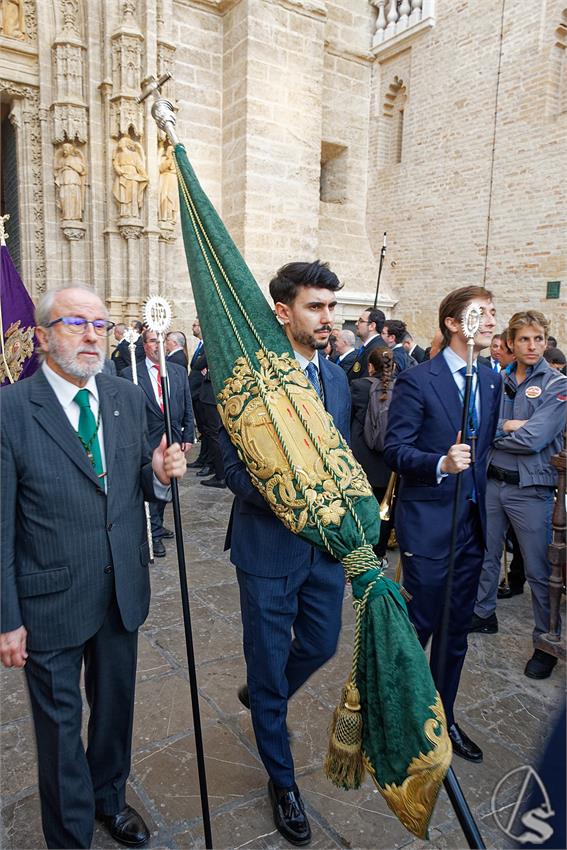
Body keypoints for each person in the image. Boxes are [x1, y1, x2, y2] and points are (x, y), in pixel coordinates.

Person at [0, 285, 187, 849]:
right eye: (74, 322)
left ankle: (109, 798)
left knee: (114, 710)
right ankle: (71, 833)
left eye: (100, 324)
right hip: (48, 598)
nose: (90, 335)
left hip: (119, 589)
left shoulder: (125, 397)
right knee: (59, 734)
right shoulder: (10, 410)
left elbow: (133, 489)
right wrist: (8, 619)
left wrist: (157, 473)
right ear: (42, 336)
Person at [221, 260, 351, 846]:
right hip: (269, 550)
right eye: (315, 307)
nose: (328, 319)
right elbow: (232, 469)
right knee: (271, 670)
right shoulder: (247, 379)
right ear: (283, 312)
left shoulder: (337, 379)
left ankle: (262, 691)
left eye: (331, 307)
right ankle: (282, 782)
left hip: (326, 552)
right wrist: (291, 497)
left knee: (321, 644)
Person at [384, 285, 501, 763]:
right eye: (482, 314)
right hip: (428, 523)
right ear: (455, 323)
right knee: (419, 627)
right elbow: (395, 449)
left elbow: (486, 449)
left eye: (494, 312)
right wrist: (440, 463)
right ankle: (399, 716)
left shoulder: (491, 380)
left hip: (472, 526)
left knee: (456, 632)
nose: (492, 321)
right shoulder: (419, 380)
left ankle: (443, 717)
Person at [470, 311, 566, 679]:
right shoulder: (497, 380)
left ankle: (545, 640)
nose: (531, 346)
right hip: (494, 483)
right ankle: (483, 613)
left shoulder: (557, 385)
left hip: (531, 490)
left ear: (545, 341)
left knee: (540, 571)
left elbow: (534, 439)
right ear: (511, 342)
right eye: (524, 339)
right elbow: (476, 425)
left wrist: (501, 430)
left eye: (538, 339)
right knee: (486, 554)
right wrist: (506, 426)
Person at [121, 329, 194, 557]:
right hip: (145, 440)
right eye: (153, 341)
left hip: (172, 438)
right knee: (150, 486)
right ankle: (152, 534)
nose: (158, 345)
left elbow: (187, 404)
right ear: (144, 345)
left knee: (167, 485)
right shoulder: (129, 373)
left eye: (162, 340)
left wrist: (188, 435)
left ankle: (158, 524)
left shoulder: (178, 371)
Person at [350, 347, 396, 565]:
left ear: (370, 366)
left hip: (363, 461)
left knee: (360, 510)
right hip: (389, 462)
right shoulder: (402, 389)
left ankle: (360, 556)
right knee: (384, 511)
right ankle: (379, 556)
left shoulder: (359, 387)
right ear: (393, 366)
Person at [187, 318, 212, 471]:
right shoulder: (200, 346)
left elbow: (198, 366)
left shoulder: (207, 347)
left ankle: (209, 463)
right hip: (197, 392)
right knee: (203, 430)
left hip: (202, 391)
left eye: (195, 325)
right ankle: (202, 459)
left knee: (209, 431)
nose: (193, 327)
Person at [112, 137, 148, 219]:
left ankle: (133, 213)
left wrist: (143, 175)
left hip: (132, 175)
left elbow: (139, 165)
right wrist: (119, 170)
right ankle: (124, 212)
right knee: (123, 194)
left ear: (126, 143)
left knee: (132, 194)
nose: (119, 143)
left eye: (121, 141)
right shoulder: (118, 155)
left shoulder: (134, 154)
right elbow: (115, 164)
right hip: (123, 175)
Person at [350, 306, 387, 380]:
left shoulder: (376, 349)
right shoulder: (368, 347)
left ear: (372, 326)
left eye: (361, 321)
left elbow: (366, 382)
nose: (356, 324)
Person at [54, 142, 86, 222]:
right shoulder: (61, 160)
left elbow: (81, 170)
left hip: (73, 181)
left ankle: (74, 217)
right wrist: (62, 168)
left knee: (73, 197)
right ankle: (65, 216)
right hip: (63, 181)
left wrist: (70, 165)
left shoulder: (76, 159)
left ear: (70, 150)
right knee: (63, 197)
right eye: (64, 149)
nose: (65, 151)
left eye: (66, 149)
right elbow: (56, 169)